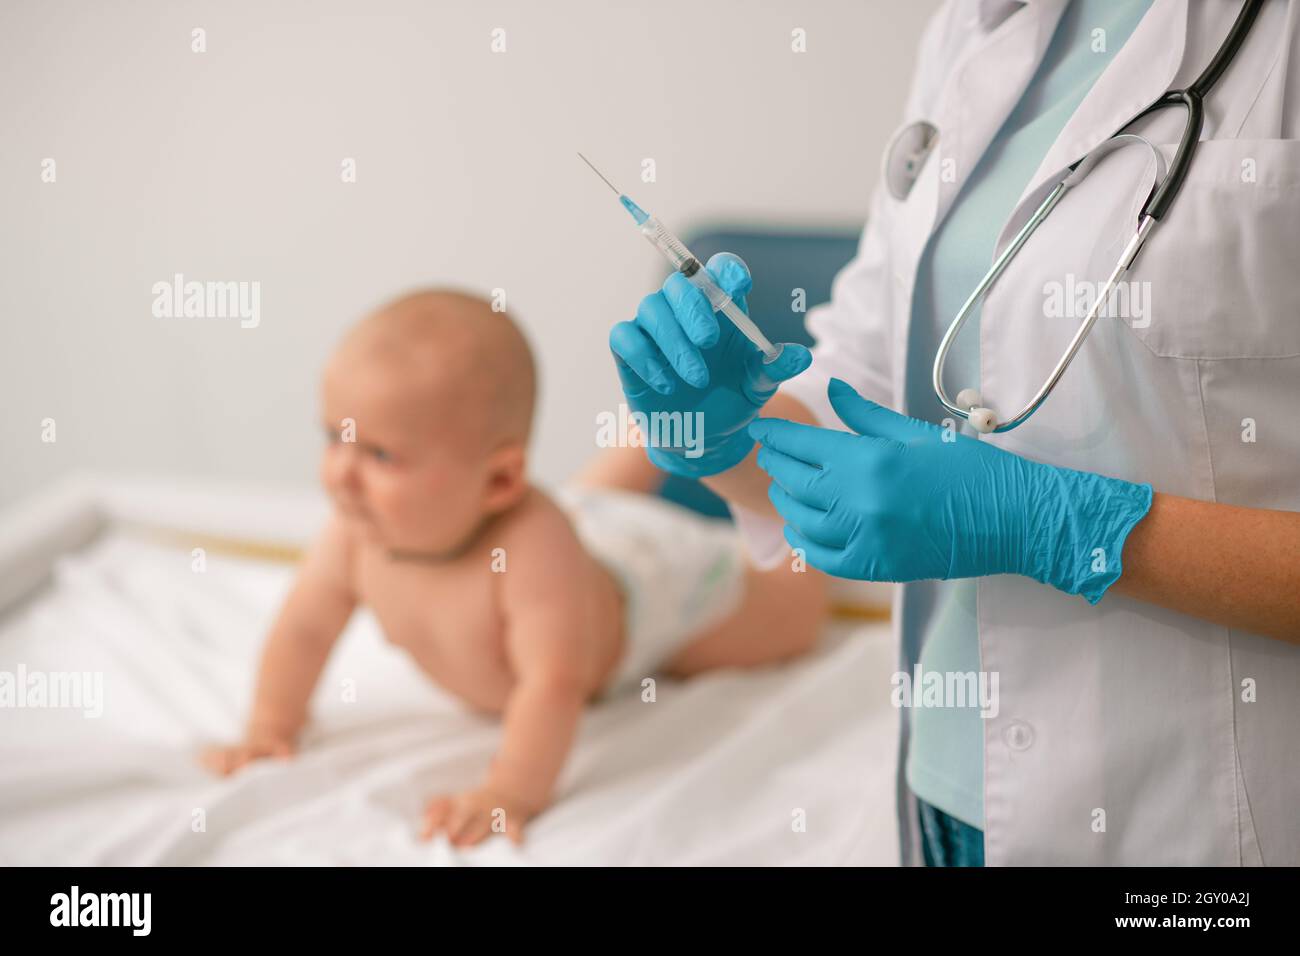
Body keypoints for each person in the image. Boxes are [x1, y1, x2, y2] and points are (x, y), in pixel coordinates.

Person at [607, 0, 1300, 865]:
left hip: (1200, 829)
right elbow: (851, 396)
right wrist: (718, 434)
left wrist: (1065, 525)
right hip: (944, 797)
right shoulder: (970, 31)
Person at [199, 289, 825, 846]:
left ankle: (777, 461)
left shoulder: (532, 549)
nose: (340, 472)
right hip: (593, 524)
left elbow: (552, 683)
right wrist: (270, 725)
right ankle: (658, 431)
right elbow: (304, 628)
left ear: (500, 479)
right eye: (335, 436)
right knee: (594, 505)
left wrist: (509, 792)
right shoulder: (357, 533)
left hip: (656, 585)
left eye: (380, 454)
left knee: (792, 620)